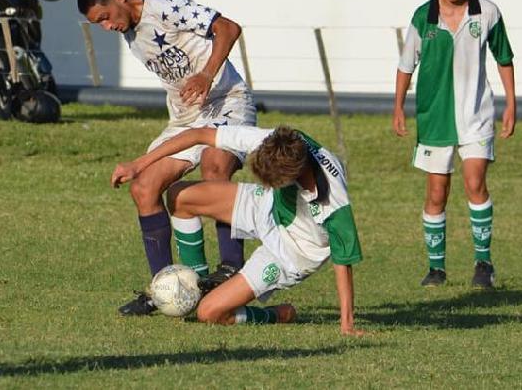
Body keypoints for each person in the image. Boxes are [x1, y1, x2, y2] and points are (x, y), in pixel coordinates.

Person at [77, 0, 256, 314]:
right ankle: (169, 288)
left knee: (215, 165)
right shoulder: (129, 30)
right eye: (97, 24)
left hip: (227, 101)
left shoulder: (166, 6)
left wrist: (207, 75)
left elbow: (229, 28)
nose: (106, 27)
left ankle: (231, 269)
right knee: (144, 187)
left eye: (104, 18)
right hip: (186, 117)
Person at [111, 125, 366, 336]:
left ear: (292, 177)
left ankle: (275, 314)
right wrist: (139, 164)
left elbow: (343, 262)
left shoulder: (333, 201)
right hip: (268, 204)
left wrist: (347, 324)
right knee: (179, 196)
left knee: (209, 313)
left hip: (292, 251)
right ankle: (195, 286)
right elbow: (199, 134)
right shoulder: (277, 142)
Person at [392, 0, 516, 289]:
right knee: (436, 193)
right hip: (434, 118)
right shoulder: (423, 16)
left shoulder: (487, 12)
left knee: (475, 184)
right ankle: (436, 269)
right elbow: (406, 65)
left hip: (476, 115)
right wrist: (398, 106)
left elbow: (504, 58)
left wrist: (511, 105)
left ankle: (483, 264)